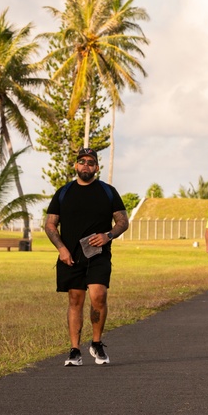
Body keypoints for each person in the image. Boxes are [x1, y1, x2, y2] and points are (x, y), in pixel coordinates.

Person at [45, 147, 129, 367]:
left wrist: (108, 235)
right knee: (75, 300)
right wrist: (61, 249)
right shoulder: (64, 192)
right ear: (75, 166)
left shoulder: (108, 191)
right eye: (81, 161)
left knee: (98, 296)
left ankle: (97, 342)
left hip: (98, 254)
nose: (85, 165)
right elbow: (50, 224)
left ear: (96, 167)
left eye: (90, 162)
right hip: (71, 256)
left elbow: (123, 222)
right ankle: (75, 350)